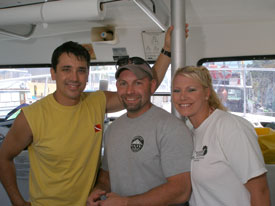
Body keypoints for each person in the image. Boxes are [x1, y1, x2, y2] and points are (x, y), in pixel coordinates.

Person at [0, 27, 173, 206]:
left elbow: (143, 89)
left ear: (87, 74)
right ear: (53, 73)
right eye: (66, 69)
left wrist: (167, 49)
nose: (74, 77)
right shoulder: (31, 117)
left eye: (81, 70)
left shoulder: (97, 102)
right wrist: (17, 201)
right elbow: (4, 158)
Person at [86, 57, 193, 206]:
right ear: (117, 86)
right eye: (124, 84)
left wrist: (126, 203)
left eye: (138, 83)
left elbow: (181, 190)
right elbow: (107, 174)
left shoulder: (171, 128)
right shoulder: (112, 130)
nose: (130, 91)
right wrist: (99, 189)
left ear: (152, 85)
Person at [172, 66, 270, 206]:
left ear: (207, 93)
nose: (182, 96)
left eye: (191, 89)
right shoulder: (188, 130)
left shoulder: (230, 127)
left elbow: (260, 191)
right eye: (177, 90)